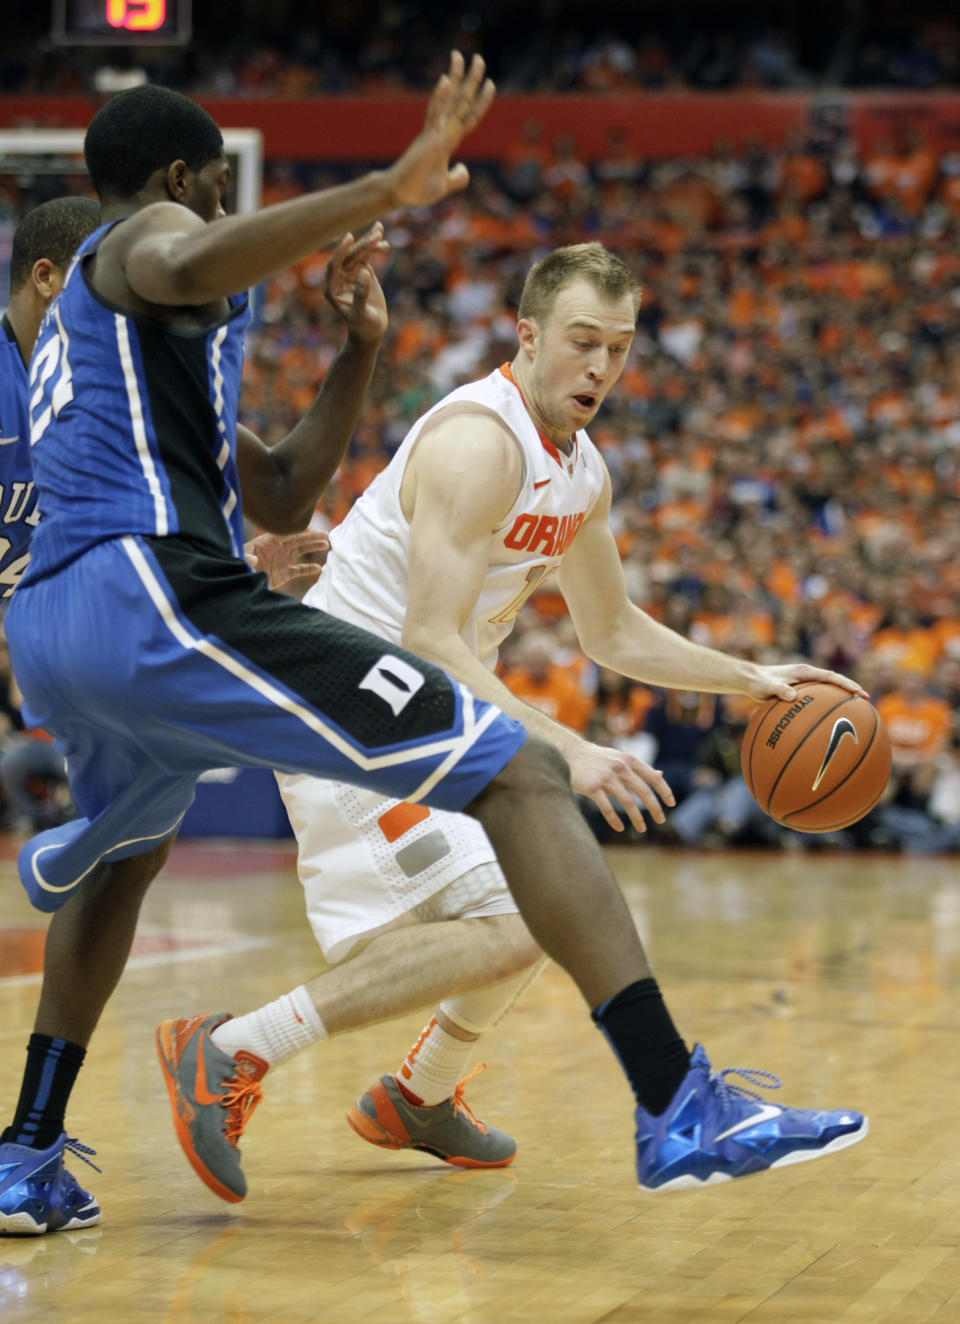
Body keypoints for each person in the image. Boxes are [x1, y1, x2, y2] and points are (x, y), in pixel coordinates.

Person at [157, 240, 869, 1210]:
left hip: (418, 707)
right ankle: (229, 1049)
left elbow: (611, 628)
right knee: (515, 912)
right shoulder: (475, 442)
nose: (600, 369)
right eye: (582, 342)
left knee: (546, 892)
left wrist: (752, 677)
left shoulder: (582, 472)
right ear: (527, 335)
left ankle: (420, 1095)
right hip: (347, 699)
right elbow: (430, 636)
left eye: (617, 349)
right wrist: (567, 748)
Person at [0, 60, 501, 1234]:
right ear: (54, 280)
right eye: (209, 195)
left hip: (96, 621)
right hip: (82, 621)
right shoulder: (104, 312)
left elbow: (271, 492)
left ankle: (27, 1142)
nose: (210, 222)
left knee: (131, 858)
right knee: (489, 765)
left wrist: (357, 349)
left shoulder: (126, 387)